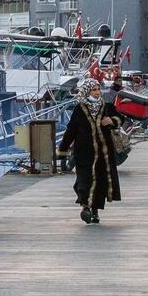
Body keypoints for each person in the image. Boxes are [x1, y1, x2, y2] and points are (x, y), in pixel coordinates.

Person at [58, 77, 122, 225]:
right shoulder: (80, 109)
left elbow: (120, 119)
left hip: (103, 154)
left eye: (98, 89)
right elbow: (71, 131)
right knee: (84, 181)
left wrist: (112, 121)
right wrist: (63, 149)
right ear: (86, 91)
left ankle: (95, 211)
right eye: (93, 90)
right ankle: (85, 207)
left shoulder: (106, 107)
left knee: (99, 182)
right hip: (84, 153)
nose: (97, 92)